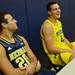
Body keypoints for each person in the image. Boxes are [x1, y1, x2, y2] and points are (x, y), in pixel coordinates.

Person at [40, 1, 75, 67]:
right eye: (55, 9)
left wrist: (72, 47)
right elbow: (51, 49)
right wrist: (69, 51)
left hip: (64, 48)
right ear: (49, 12)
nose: (58, 11)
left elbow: (62, 38)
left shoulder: (58, 22)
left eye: (59, 8)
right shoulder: (47, 26)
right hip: (57, 55)